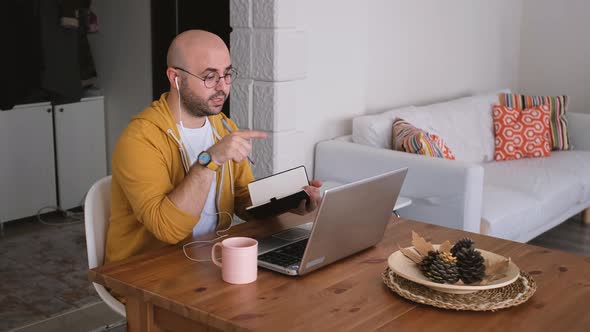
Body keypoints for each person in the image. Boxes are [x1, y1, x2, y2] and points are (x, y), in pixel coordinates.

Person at [105, 30, 321, 264]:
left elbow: (241, 200)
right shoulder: (139, 139)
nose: (222, 87)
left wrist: (287, 202)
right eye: (209, 76)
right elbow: (167, 229)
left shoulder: (223, 126)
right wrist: (209, 161)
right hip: (147, 271)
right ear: (175, 77)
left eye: (227, 74)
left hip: (209, 257)